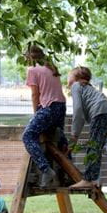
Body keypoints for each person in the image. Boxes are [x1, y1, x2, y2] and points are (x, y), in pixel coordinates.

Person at [20, 45, 67, 188]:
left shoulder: (33, 70)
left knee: (28, 136)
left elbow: (35, 94)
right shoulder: (51, 67)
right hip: (61, 106)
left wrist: (36, 113)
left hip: (48, 107)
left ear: (29, 57)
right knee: (58, 137)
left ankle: (46, 170)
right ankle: (66, 172)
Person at [68, 66, 107, 189]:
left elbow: (78, 111)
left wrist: (74, 135)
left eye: (70, 75)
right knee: (97, 146)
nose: (67, 78)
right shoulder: (86, 87)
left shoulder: (76, 86)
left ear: (76, 78)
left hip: (100, 111)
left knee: (94, 145)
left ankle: (89, 179)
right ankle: (94, 179)